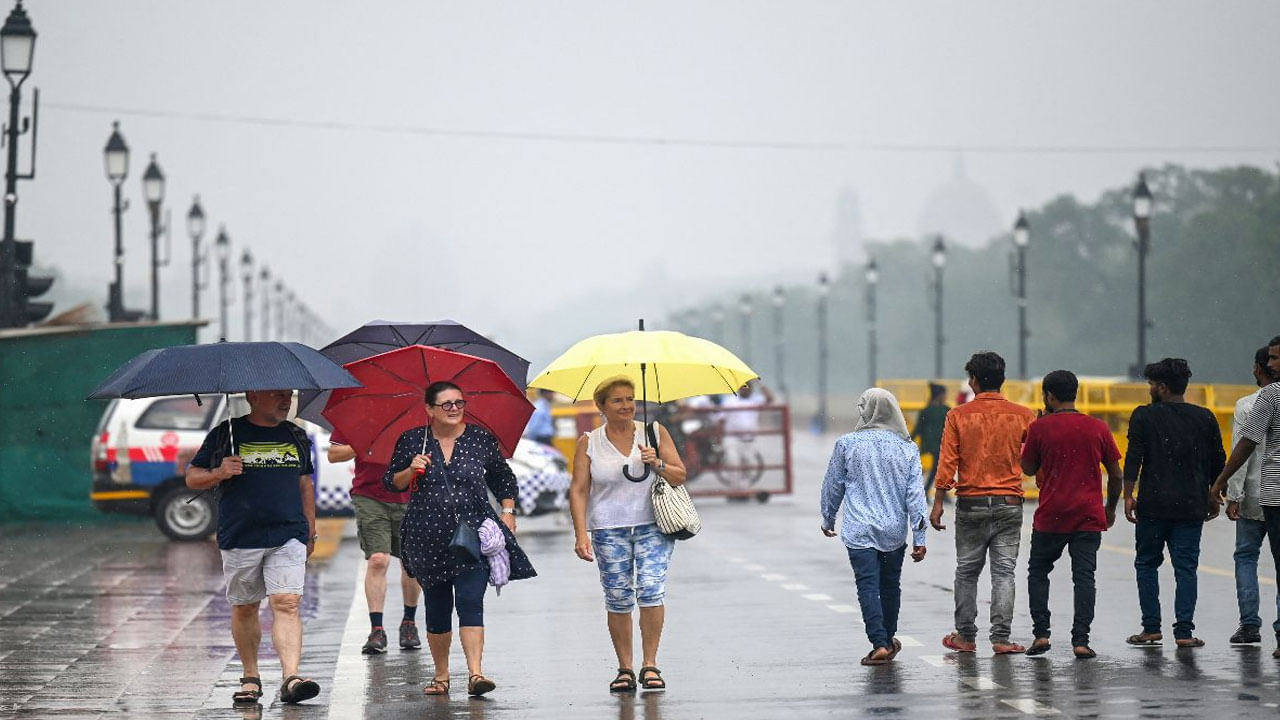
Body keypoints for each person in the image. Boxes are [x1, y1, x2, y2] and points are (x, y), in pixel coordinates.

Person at [384, 381, 536, 697]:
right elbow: (393, 483)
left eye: (459, 403)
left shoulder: (480, 439)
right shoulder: (413, 440)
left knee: (470, 601)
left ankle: (475, 673)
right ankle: (441, 675)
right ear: (429, 409)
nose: (454, 409)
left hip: (474, 534)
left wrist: (508, 510)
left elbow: (503, 478)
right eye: (446, 404)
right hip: (427, 536)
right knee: (438, 605)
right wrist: (410, 470)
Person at [185, 389, 321, 705]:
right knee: (246, 606)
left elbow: (304, 483)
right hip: (241, 534)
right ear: (253, 396)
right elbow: (192, 477)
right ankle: (250, 677)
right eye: (277, 394)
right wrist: (219, 472)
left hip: (288, 533)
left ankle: (291, 678)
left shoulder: (296, 435)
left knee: (287, 602)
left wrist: (310, 529)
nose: (286, 400)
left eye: (289, 394)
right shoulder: (226, 433)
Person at [569, 376, 687, 693]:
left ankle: (650, 665)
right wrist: (581, 534)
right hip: (608, 529)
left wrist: (657, 461)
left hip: (653, 525)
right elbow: (579, 490)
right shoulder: (589, 442)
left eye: (631, 399)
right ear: (602, 406)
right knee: (619, 596)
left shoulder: (653, 432)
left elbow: (679, 474)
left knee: (650, 588)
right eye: (618, 400)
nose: (627, 405)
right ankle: (625, 668)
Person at [930, 352, 1034, 655]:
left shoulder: (958, 415)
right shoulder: (1022, 415)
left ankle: (965, 636)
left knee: (966, 571)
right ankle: (1001, 638)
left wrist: (938, 502)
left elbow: (947, 462)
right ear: (1001, 380)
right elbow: (1034, 459)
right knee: (1004, 572)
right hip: (1009, 501)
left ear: (973, 380)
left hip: (970, 502)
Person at [820, 388, 928, 665]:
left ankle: (880, 643)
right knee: (890, 585)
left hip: (858, 530)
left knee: (867, 585)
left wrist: (828, 517)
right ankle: (888, 639)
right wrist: (919, 535)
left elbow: (834, 485)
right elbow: (915, 494)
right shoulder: (907, 448)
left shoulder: (847, 444)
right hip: (894, 530)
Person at [1020, 370, 1122, 659]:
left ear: (1049, 396)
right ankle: (1080, 640)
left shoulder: (1041, 428)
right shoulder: (1098, 428)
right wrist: (1110, 508)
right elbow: (1116, 474)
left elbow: (1027, 468)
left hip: (1051, 514)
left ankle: (1041, 634)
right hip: (1088, 515)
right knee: (1084, 577)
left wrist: (1035, 431)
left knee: (1038, 571)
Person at [1123, 358, 1225, 649]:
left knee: (1146, 564)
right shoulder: (1205, 417)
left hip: (1153, 506)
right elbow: (1218, 460)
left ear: (1163, 387)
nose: (1151, 389)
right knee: (1186, 568)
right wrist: (1214, 495)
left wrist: (1129, 495)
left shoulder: (1144, 416)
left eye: (1152, 385)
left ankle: (1151, 628)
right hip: (1191, 506)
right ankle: (1183, 632)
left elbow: (1134, 457)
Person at [1211, 336, 1280, 655]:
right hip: (1271, 494)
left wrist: (1230, 491)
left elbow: (1244, 448)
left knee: (1246, 556)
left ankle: (1250, 623)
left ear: (1257, 368)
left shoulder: (1251, 403)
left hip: (1257, 494)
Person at [328, 431, 422, 654]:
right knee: (378, 560)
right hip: (369, 496)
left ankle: (409, 622)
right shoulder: (358, 415)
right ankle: (377, 628)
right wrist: (364, 442)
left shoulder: (420, 414)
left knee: (412, 565)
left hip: (411, 496)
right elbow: (333, 455)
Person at [912, 383, 950, 496]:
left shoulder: (927, 410)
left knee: (940, 469)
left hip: (933, 443)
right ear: (939, 396)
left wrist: (909, 439)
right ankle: (928, 490)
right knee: (938, 469)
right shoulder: (945, 410)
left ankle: (941, 492)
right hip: (938, 444)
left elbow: (918, 428)